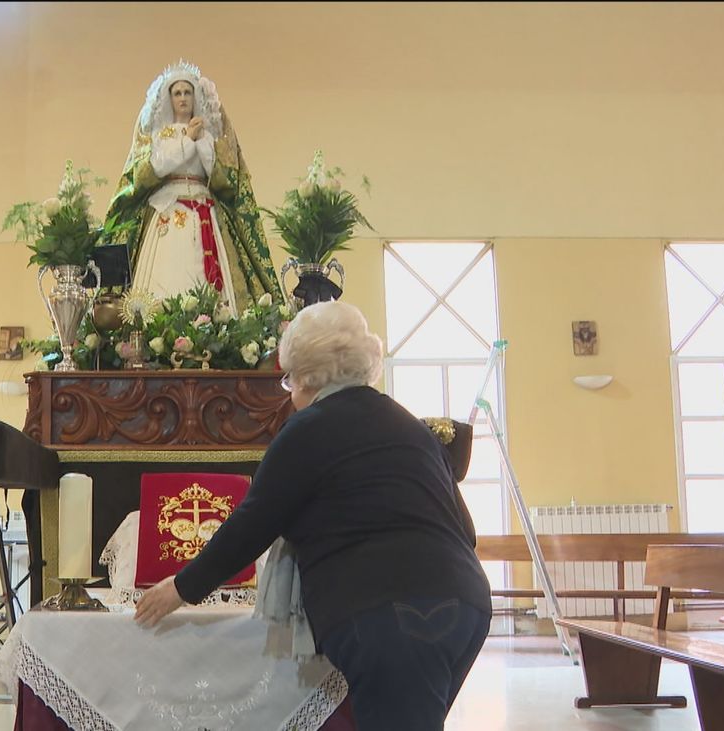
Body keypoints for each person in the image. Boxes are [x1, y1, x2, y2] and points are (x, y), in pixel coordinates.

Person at [135, 300, 492, 730]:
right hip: (467, 605)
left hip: (392, 616)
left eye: (288, 380)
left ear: (305, 376)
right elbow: (465, 530)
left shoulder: (308, 430)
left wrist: (181, 587)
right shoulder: (408, 426)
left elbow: (253, 523)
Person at [103, 60, 284, 312]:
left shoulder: (206, 136)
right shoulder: (164, 135)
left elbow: (217, 176)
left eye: (187, 92)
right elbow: (157, 167)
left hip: (204, 209)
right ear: (170, 98)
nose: (183, 98)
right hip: (167, 209)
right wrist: (187, 140)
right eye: (177, 93)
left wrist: (201, 142)